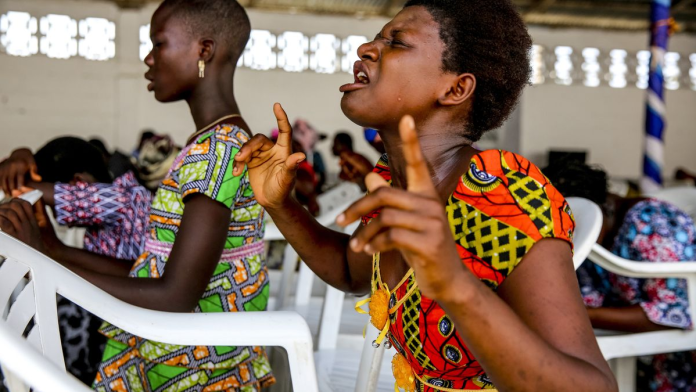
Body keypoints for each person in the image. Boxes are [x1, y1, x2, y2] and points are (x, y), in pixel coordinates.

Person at [233, 1, 616, 391]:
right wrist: (282, 205)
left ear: (456, 88)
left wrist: (453, 283)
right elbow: (352, 272)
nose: (366, 48)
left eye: (396, 43)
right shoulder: (391, 180)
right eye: (377, 38)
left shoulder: (503, 193)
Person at [0, 1, 274, 391]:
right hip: (174, 356)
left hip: (192, 372)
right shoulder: (211, 144)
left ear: (204, 50)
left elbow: (174, 296)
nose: (147, 59)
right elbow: (153, 269)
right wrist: (53, 251)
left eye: (158, 44)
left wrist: (50, 263)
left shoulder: (220, 150)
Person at [0, 137, 152, 383]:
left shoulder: (123, 198)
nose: (63, 218)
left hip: (135, 316)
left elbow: (30, 188)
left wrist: (19, 160)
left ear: (78, 183)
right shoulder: (109, 215)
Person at [544, 161, 696, 392]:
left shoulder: (651, 225)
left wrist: (576, 315)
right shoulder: (595, 238)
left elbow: (676, 312)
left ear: (597, 207)